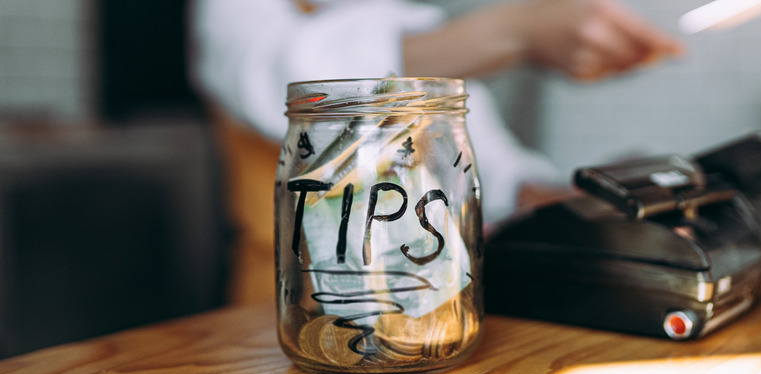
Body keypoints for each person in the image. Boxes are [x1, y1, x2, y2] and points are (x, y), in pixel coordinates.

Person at [189, 0, 683, 303]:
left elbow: (486, 165)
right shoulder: (238, 12)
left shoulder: (395, 13)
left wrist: (577, 209)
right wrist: (514, 31)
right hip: (292, 297)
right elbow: (293, 81)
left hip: (432, 300)